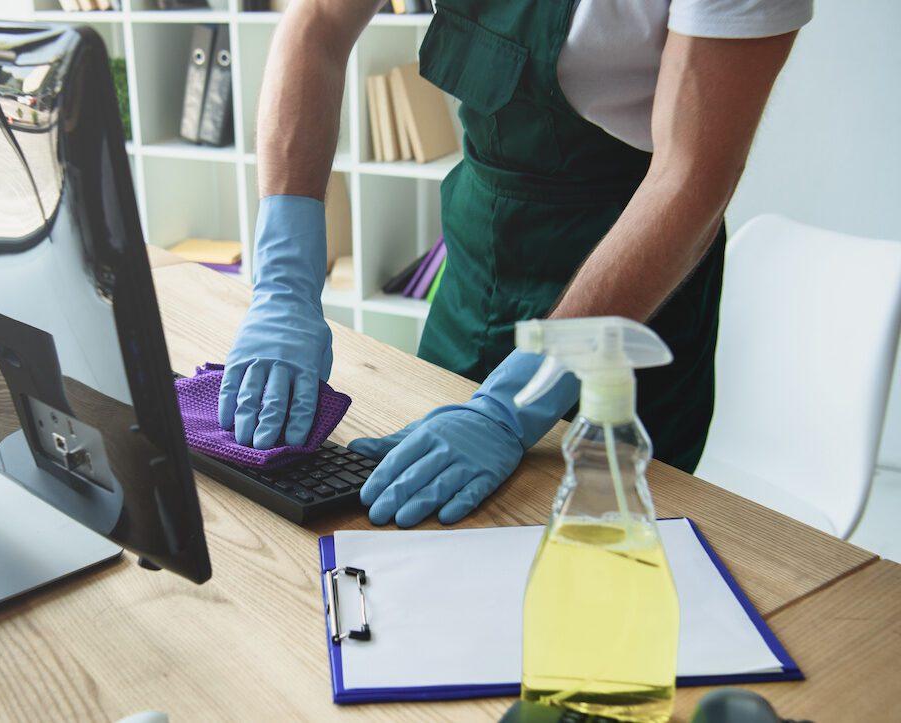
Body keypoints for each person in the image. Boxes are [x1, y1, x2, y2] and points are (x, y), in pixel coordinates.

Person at [219, 0, 811, 527]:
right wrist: (284, 282)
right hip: (478, 260)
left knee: (596, 566)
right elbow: (317, 21)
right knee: (411, 533)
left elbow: (691, 178)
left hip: (628, 289)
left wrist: (519, 400)